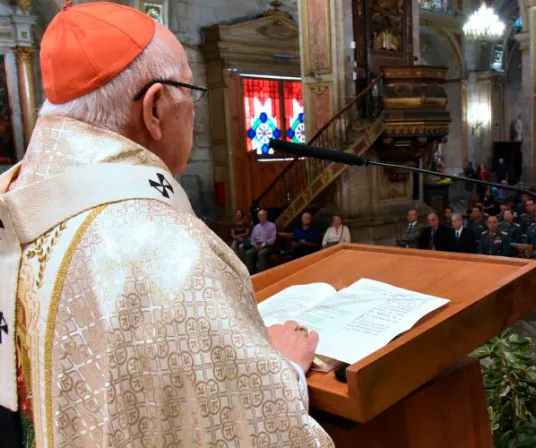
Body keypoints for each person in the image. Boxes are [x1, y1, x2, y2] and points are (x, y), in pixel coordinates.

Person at [0, 3, 331, 446]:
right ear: (154, 108)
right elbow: (254, 429)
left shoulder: (14, 198)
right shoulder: (167, 252)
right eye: (190, 92)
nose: (192, 110)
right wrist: (286, 367)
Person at [246, 209, 277, 273]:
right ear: (258, 217)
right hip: (257, 245)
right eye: (259, 216)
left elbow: (272, 239)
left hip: (268, 246)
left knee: (261, 253)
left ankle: (261, 273)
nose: (261, 217)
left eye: (263, 215)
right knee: (248, 253)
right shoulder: (256, 227)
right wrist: (255, 245)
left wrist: (263, 245)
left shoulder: (272, 225)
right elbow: (252, 239)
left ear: (266, 216)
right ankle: (251, 273)